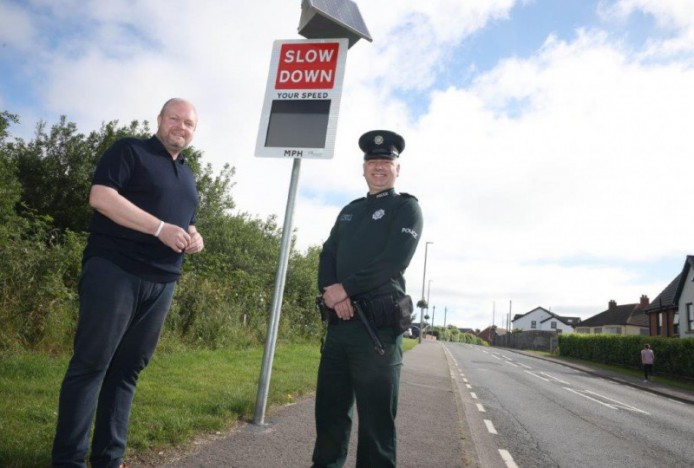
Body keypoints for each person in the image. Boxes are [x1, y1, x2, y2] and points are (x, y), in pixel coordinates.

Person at [52, 98, 204, 468]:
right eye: (174, 119)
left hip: (162, 281)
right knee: (92, 363)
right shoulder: (129, 150)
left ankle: (109, 458)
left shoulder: (187, 176)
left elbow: (185, 222)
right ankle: (68, 460)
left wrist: (194, 236)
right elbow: (101, 197)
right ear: (160, 120)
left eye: (188, 124)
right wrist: (158, 228)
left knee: (127, 370)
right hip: (115, 269)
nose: (180, 127)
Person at [312, 130, 423, 467]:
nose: (379, 167)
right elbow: (327, 254)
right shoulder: (350, 210)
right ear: (363, 168)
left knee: (376, 429)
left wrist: (346, 289)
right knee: (329, 417)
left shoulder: (406, 208)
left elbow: (392, 262)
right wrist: (333, 293)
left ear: (397, 169)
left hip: (377, 333)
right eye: (372, 162)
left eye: (386, 162)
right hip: (339, 328)